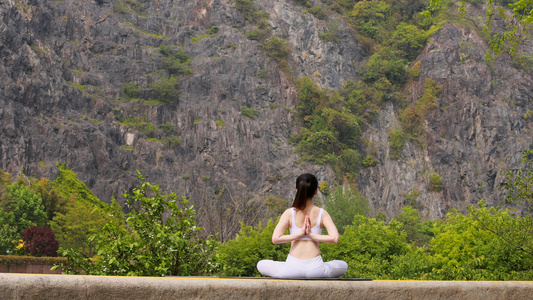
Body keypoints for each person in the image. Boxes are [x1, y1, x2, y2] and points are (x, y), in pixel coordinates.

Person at [256, 173, 348, 278]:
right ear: (316, 191)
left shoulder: (289, 213)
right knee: (342, 265)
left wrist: (300, 234)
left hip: (292, 268)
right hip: (316, 269)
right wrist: (311, 235)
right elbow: (335, 238)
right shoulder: (322, 213)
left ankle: (286, 267)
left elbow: (275, 239)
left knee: (261, 264)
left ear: (297, 190)